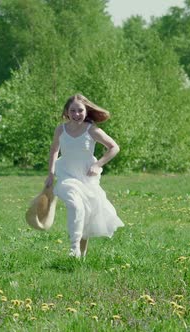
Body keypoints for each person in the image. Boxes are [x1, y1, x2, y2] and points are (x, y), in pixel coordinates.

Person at [45, 94, 124, 258]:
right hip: (66, 175)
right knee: (75, 206)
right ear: (67, 112)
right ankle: (74, 249)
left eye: (80, 110)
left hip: (87, 178)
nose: (76, 114)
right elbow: (54, 150)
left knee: (86, 216)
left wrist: (97, 164)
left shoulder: (92, 130)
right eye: (72, 111)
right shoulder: (61, 129)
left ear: (86, 111)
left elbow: (114, 147)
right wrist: (50, 174)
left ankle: (81, 257)